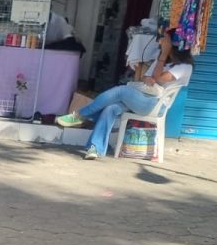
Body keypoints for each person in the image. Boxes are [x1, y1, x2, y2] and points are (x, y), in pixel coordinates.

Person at [55, 29, 194, 159]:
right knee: (110, 108)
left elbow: (158, 78)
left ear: (174, 45)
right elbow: (146, 78)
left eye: (165, 40)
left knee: (121, 91)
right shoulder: (163, 61)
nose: (161, 42)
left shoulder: (184, 67)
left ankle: (81, 115)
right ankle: (95, 148)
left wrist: (163, 55)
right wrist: (150, 76)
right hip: (141, 98)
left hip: (155, 105)